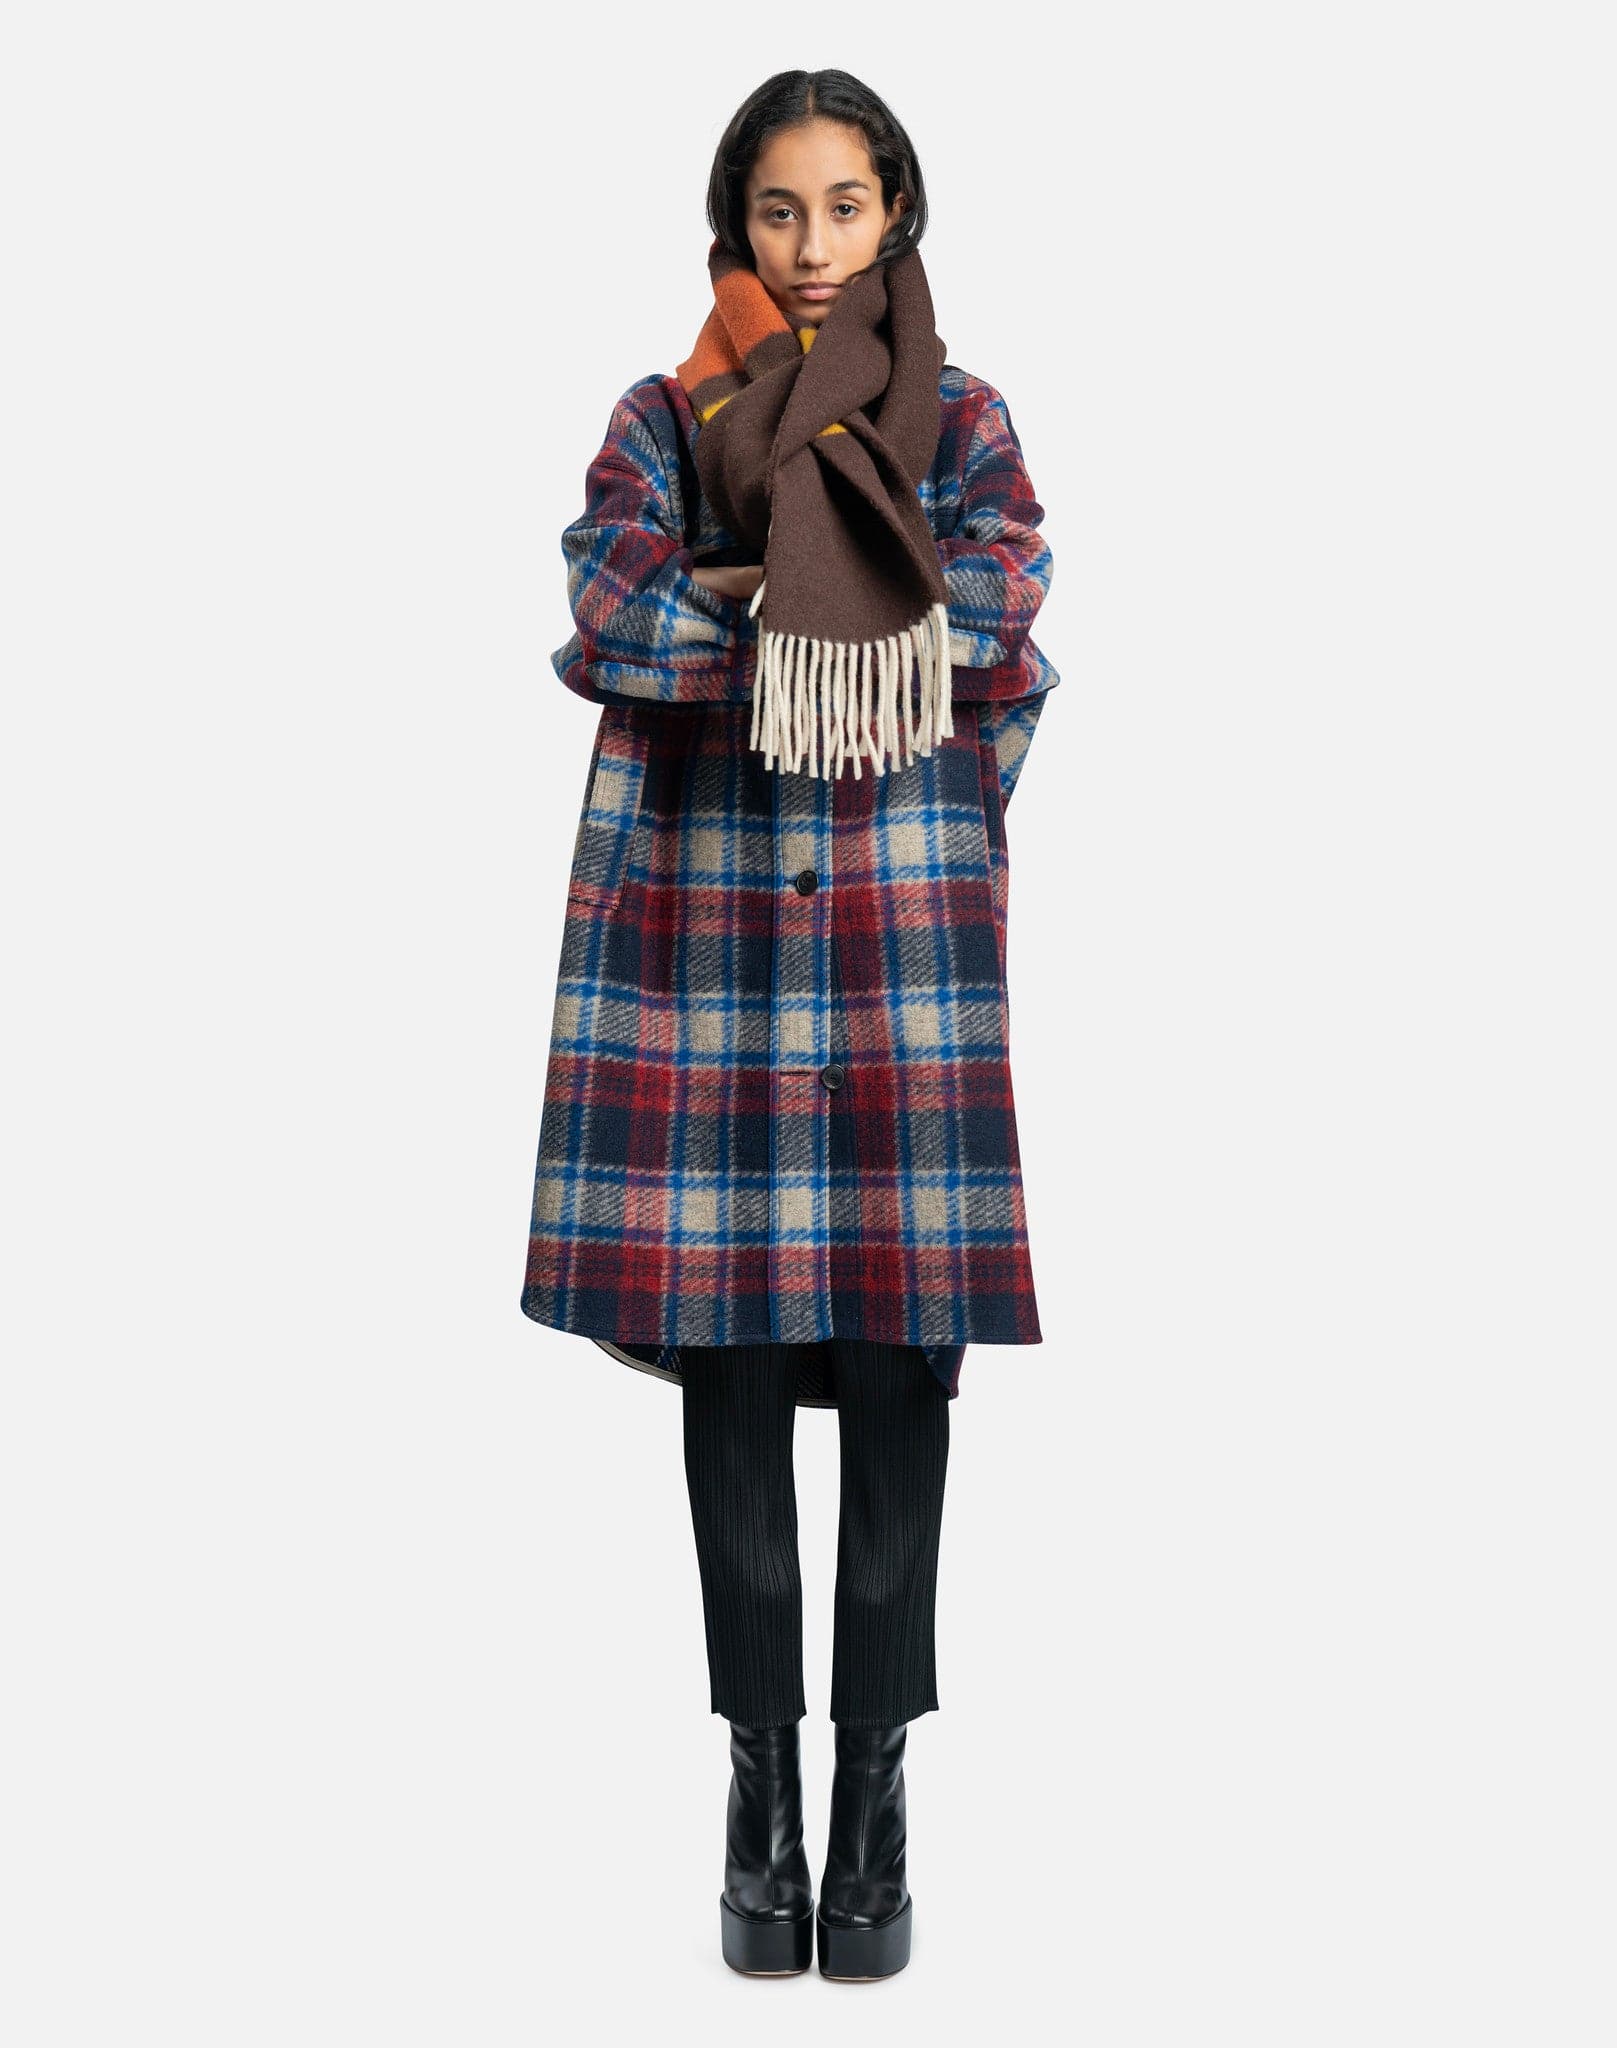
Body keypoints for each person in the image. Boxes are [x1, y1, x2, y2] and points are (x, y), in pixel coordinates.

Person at [519, 67, 1058, 1980]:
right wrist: (829, 615)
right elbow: (610, 611)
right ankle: (758, 1791)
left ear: (895, 213)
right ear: (731, 222)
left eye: (844, 206)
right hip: (713, 953)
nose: (812, 247)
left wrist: (754, 603)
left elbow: (1003, 606)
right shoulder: (665, 417)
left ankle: (876, 1794)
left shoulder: (963, 418)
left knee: (903, 1378)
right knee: (735, 1378)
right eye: (777, 209)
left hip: (900, 957)